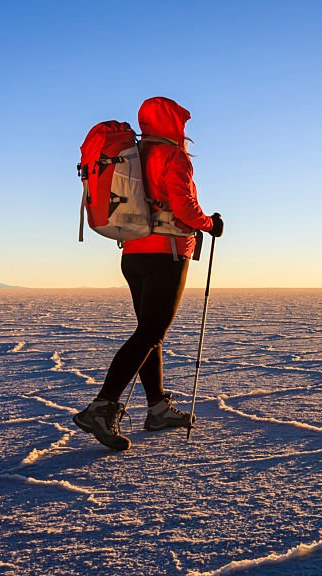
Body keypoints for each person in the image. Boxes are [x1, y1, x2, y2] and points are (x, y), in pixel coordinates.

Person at [74, 96, 224, 451]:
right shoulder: (173, 156)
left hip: (133, 254)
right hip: (166, 254)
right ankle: (102, 406)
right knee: (150, 333)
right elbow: (184, 209)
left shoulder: (136, 154)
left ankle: (157, 408)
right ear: (174, 123)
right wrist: (210, 224)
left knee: (148, 333)